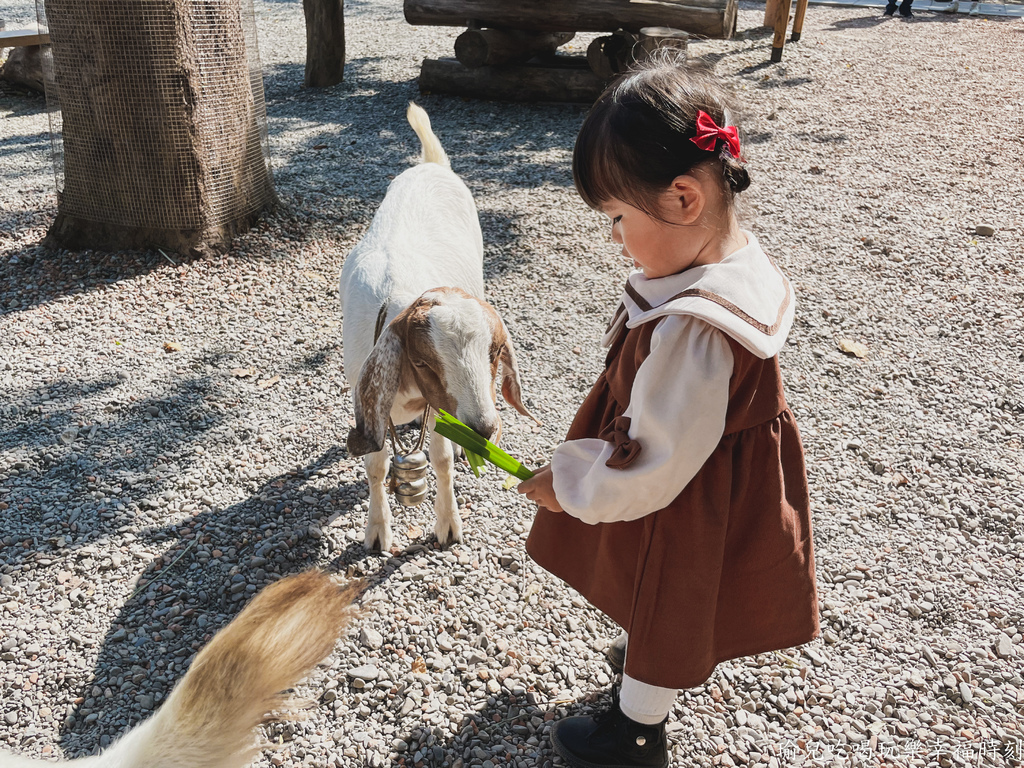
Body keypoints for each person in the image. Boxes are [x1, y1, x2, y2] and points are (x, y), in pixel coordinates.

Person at [517, 54, 820, 768]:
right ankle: (647, 653)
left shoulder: (695, 330)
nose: (616, 238)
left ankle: (637, 733)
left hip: (686, 495)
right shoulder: (726, 261)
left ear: (684, 198)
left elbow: (654, 458)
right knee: (654, 589)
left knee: (668, 596)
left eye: (619, 217)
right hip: (704, 471)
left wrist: (569, 484)